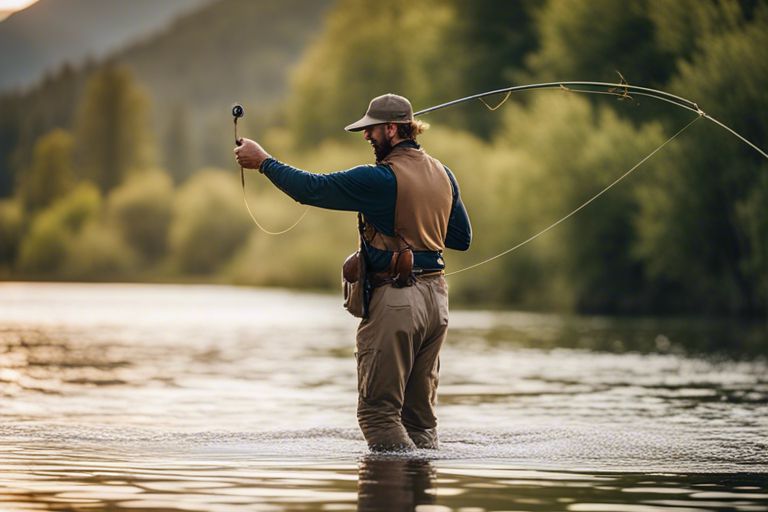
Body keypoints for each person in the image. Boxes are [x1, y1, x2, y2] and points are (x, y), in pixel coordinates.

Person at [234, 93, 471, 451]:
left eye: (371, 129)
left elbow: (311, 189)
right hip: (437, 304)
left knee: (378, 416)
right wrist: (400, 238)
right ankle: (421, 480)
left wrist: (264, 162)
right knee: (419, 421)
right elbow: (460, 238)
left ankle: (392, 482)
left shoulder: (379, 179)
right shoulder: (444, 173)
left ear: (392, 129)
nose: (366, 136)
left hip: (398, 303)